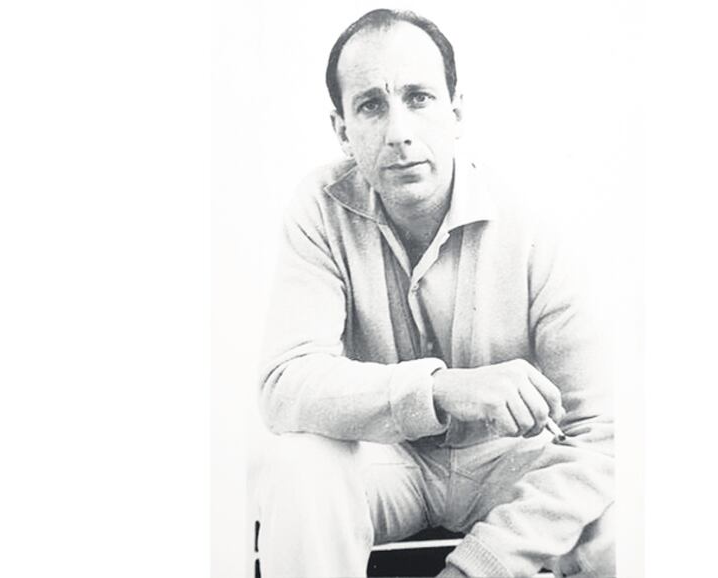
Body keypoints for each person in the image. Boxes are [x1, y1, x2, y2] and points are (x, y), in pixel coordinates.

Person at [256, 8, 615, 578]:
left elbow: (603, 436)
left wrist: (480, 565)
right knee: (298, 463)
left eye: (419, 98)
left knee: (621, 523)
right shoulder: (319, 207)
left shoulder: (532, 220)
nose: (399, 132)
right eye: (371, 105)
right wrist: (441, 389)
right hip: (385, 461)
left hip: (504, 463)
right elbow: (285, 385)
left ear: (456, 112)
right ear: (342, 130)